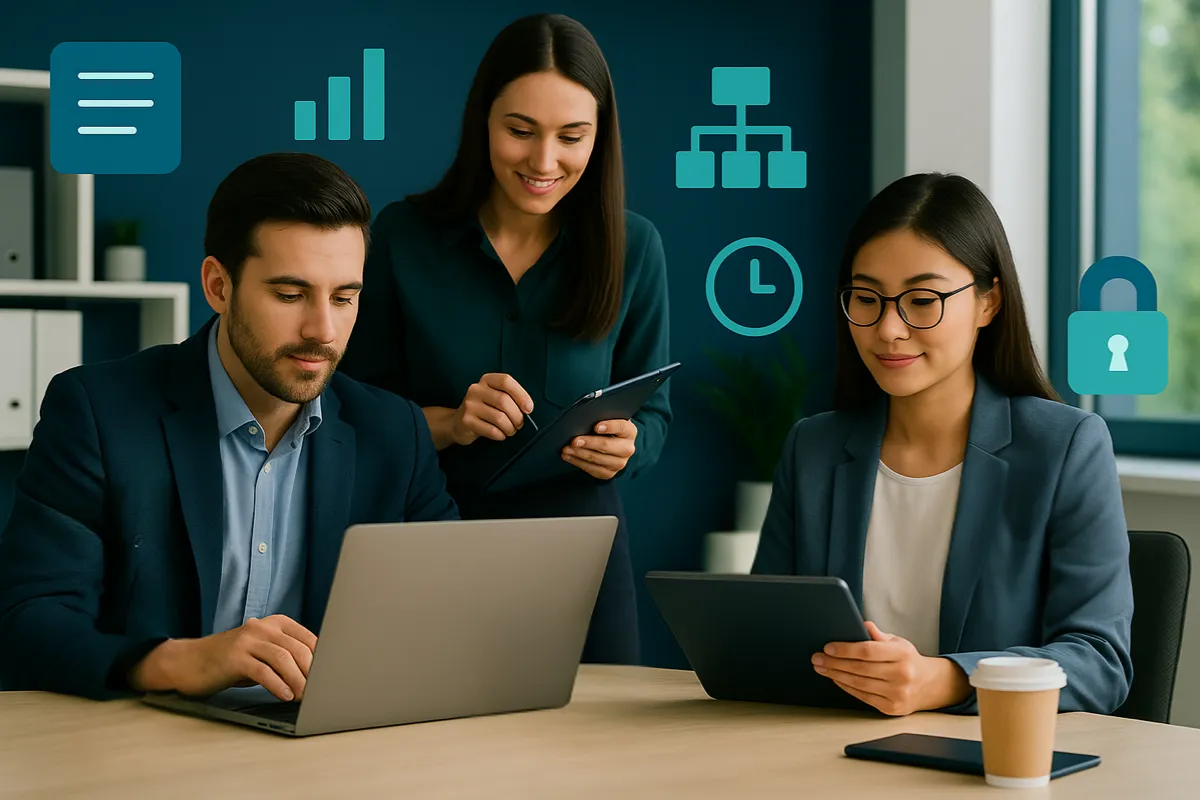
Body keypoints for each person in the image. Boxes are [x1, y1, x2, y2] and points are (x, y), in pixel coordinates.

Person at [0, 152, 459, 701]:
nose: (323, 330)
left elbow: (449, 618)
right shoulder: (98, 412)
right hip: (143, 747)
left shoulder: (395, 432)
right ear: (219, 286)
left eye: (344, 297)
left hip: (328, 754)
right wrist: (177, 661)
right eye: (290, 295)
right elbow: (26, 622)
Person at [338, 14, 672, 665]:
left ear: (600, 138)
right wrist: (447, 422)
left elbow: (655, 415)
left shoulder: (636, 249)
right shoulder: (403, 237)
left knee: (590, 751)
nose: (544, 162)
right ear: (481, 122)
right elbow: (352, 415)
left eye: (572, 136)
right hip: (432, 533)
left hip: (580, 549)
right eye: (520, 131)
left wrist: (629, 447)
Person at [752, 173, 1134, 716]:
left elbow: (1100, 661)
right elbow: (764, 635)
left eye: (922, 300)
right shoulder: (812, 446)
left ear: (988, 302)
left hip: (987, 767)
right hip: (828, 758)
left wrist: (951, 680)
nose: (888, 328)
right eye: (867, 298)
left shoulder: (1067, 446)